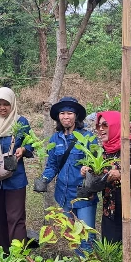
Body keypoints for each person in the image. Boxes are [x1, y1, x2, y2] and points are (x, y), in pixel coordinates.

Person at [81, 111, 131, 262]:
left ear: (117, 125)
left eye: (105, 125)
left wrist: (121, 174)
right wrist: (89, 173)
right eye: (98, 125)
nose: (101, 129)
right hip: (113, 213)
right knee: (111, 261)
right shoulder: (103, 151)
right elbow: (100, 178)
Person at [38, 96, 98, 252]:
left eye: (70, 113)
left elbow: (97, 166)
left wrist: (89, 170)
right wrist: (44, 179)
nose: (66, 116)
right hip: (63, 195)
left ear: (76, 115)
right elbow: (52, 165)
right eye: (62, 113)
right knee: (72, 235)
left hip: (83, 195)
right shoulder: (55, 138)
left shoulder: (88, 137)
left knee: (87, 235)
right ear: (58, 116)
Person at [0, 87, 32, 254]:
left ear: (12, 104)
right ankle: (4, 254)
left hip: (15, 178)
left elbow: (31, 143)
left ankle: (19, 256)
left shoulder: (20, 122)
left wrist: (23, 149)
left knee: (16, 218)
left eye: (6, 104)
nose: (2, 108)